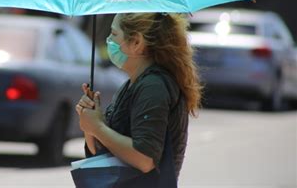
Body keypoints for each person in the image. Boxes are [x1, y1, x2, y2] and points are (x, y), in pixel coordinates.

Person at [75, 12, 202, 180]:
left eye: (114, 34)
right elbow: (105, 152)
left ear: (136, 42)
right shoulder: (132, 84)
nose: (109, 40)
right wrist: (90, 125)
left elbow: (144, 159)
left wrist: (98, 127)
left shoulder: (153, 87)